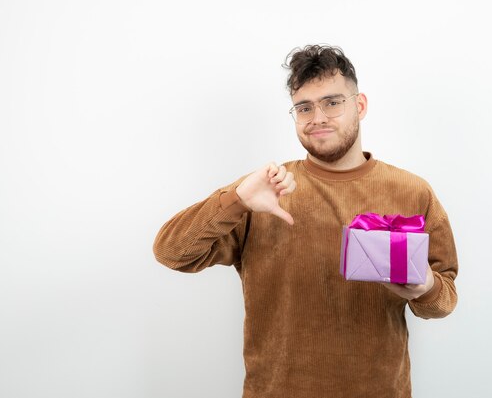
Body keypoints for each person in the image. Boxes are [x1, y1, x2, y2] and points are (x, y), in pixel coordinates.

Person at [153, 44, 458, 398]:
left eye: (333, 102)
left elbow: (446, 297)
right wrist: (236, 200)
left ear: (359, 105)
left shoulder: (412, 191)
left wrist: (425, 289)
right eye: (304, 107)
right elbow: (171, 252)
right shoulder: (265, 191)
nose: (318, 118)